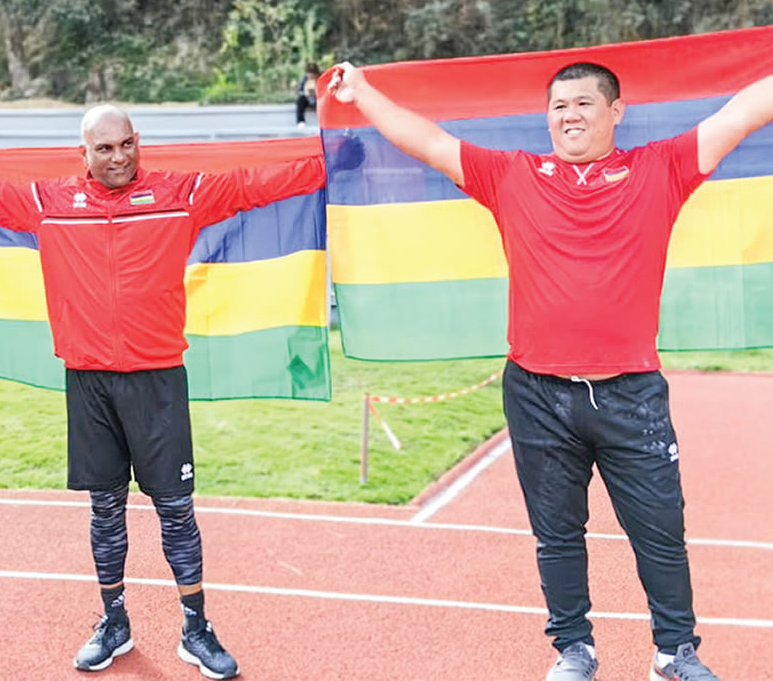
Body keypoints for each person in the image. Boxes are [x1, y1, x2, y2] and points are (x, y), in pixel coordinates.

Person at [327, 59, 773, 681]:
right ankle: (574, 649)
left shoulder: (662, 167)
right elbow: (427, 141)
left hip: (630, 394)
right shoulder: (512, 175)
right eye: (559, 106)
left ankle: (674, 653)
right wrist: (364, 93)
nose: (571, 116)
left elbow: (744, 112)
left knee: (661, 533)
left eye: (585, 104)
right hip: (537, 393)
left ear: (616, 111)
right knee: (557, 534)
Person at [0, 105, 323, 678]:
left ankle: (196, 628)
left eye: (125, 145)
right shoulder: (50, 204)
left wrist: (326, 161)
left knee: (175, 511)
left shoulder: (180, 194)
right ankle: (114, 621)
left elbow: (251, 185)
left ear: (138, 143)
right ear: (83, 154)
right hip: (88, 381)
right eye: (104, 149)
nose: (118, 158)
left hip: (158, 378)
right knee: (105, 508)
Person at [295, 61, 319, 128]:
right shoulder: (304, 78)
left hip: (317, 98)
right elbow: (298, 91)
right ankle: (301, 121)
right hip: (306, 98)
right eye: (309, 74)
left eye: (313, 74)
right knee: (300, 101)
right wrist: (305, 93)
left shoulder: (319, 78)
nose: (311, 76)